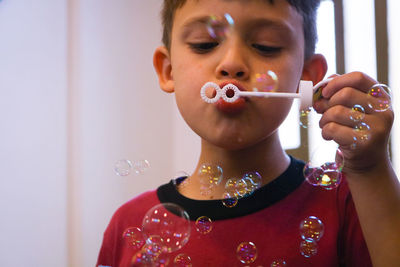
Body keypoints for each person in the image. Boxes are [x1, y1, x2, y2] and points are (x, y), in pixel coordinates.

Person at [97, 0, 400, 266]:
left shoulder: (351, 204)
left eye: (266, 46)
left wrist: (371, 169)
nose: (231, 64)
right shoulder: (128, 226)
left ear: (306, 77)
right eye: (204, 44)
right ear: (168, 70)